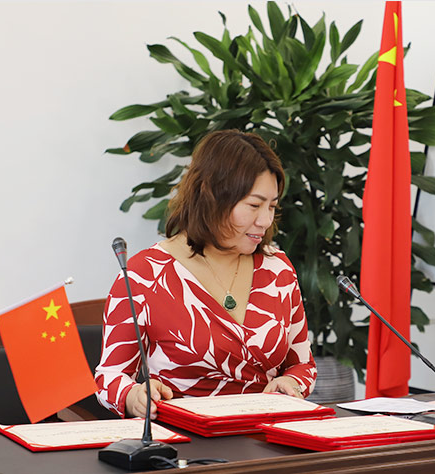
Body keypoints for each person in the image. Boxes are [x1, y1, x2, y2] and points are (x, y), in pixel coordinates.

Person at [94, 129, 316, 418]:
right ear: (212, 197)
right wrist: (133, 396)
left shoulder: (278, 268)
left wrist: (292, 383)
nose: (265, 220)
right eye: (254, 205)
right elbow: (109, 377)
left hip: (267, 433)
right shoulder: (143, 275)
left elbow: (302, 365)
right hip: (186, 439)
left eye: (272, 206)